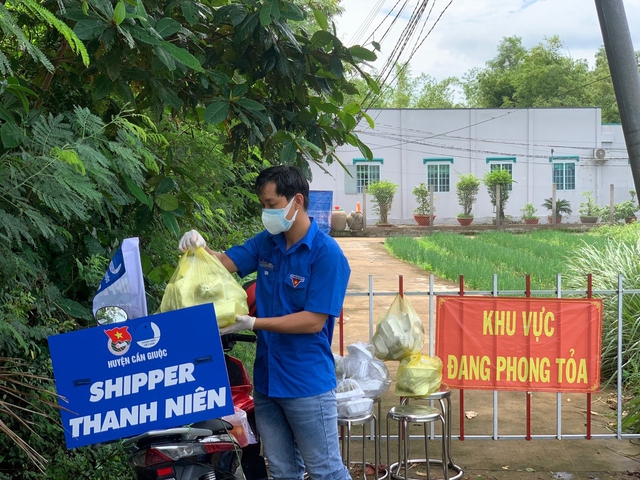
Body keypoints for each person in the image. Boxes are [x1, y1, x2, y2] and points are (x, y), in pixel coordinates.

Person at [178, 165, 352, 480]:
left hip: (306, 385)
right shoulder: (267, 242)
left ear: (296, 201)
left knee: (326, 471)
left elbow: (314, 321)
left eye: (272, 205)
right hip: (268, 384)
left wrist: (254, 323)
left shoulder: (326, 254)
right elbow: (226, 264)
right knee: (284, 471)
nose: (266, 212)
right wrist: (199, 249)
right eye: (263, 205)